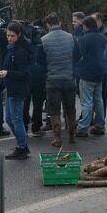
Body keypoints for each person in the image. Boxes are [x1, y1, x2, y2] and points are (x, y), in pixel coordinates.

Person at [41, 12, 78, 148]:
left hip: (52, 80)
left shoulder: (44, 40)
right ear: (60, 23)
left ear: (48, 25)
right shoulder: (71, 38)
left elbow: (40, 61)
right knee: (70, 108)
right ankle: (72, 135)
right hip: (69, 78)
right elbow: (77, 56)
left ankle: (57, 137)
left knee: (54, 110)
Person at [0, 21, 32, 159]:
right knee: (10, 119)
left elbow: (24, 73)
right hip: (10, 87)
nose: (9, 38)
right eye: (8, 35)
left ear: (19, 35)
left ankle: (21, 147)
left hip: (18, 89)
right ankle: (22, 143)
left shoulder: (20, 51)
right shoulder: (11, 48)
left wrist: (7, 73)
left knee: (16, 119)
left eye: (12, 36)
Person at [74, 15, 107, 137]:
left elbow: (79, 56)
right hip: (99, 73)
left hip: (87, 74)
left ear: (86, 26)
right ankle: (100, 125)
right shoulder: (103, 38)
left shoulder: (83, 39)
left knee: (87, 101)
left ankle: (83, 127)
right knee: (98, 100)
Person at [27, 20, 48, 136]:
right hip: (40, 75)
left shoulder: (27, 44)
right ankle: (36, 126)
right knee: (38, 103)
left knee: (25, 101)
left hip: (28, 74)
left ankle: (24, 123)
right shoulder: (43, 44)